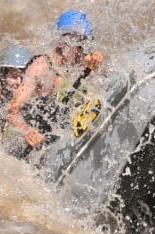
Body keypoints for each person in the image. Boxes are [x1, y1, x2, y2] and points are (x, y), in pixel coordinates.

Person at [7, 10, 104, 150]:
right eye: (75, 42)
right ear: (61, 41)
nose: (80, 50)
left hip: (61, 124)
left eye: (83, 43)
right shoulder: (40, 68)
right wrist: (26, 130)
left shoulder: (82, 61)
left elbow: (104, 79)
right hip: (36, 133)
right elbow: (12, 110)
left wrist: (99, 63)